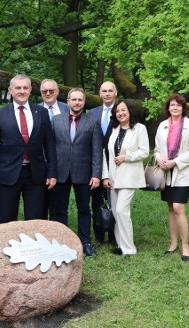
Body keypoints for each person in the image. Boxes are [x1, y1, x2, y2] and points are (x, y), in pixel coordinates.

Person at [0, 75, 57, 222]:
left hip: (35, 174)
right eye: (18, 88)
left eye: (25, 88)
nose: (21, 91)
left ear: (30, 90)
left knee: (35, 218)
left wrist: (52, 173)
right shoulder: (0, 114)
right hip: (8, 174)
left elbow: (49, 144)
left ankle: (35, 245)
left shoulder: (41, 113)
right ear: (10, 90)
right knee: (7, 218)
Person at [50, 87, 103, 256]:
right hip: (60, 172)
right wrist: (50, 172)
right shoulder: (56, 120)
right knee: (59, 209)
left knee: (84, 209)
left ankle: (85, 242)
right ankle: (60, 241)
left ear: (84, 102)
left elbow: (97, 150)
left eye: (80, 100)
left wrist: (96, 174)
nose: (77, 103)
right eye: (74, 100)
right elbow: (50, 149)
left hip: (84, 173)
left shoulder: (92, 121)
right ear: (68, 101)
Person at [154, 93, 189, 261]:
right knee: (170, 209)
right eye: (172, 105)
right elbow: (157, 149)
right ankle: (173, 244)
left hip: (182, 171)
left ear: (183, 107)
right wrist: (160, 159)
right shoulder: (162, 126)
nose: (175, 108)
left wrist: (175, 162)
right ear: (168, 108)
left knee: (179, 208)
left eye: (178, 105)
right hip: (166, 172)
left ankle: (185, 245)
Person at [102, 100, 149, 256]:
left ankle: (129, 249)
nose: (120, 113)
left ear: (130, 111)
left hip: (129, 176)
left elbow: (144, 152)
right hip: (114, 177)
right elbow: (107, 154)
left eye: (123, 110)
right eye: (117, 111)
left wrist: (126, 157)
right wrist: (106, 176)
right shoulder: (114, 129)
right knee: (116, 212)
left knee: (122, 210)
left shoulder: (139, 129)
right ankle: (121, 245)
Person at [88, 80, 117, 244]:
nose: (107, 94)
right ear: (100, 93)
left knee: (115, 200)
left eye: (110, 91)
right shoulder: (92, 112)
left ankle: (114, 235)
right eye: (104, 91)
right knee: (97, 200)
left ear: (115, 93)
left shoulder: (121, 111)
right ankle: (99, 235)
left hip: (116, 162)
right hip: (96, 162)